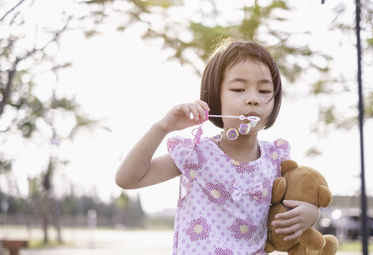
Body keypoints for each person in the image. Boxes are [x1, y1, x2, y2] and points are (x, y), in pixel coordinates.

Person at [115, 39, 320, 255]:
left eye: (264, 90)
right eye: (239, 89)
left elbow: (295, 204)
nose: (253, 99)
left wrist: (313, 213)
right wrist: (163, 127)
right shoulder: (196, 154)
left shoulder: (275, 160)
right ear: (215, 96)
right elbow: (128, 178)